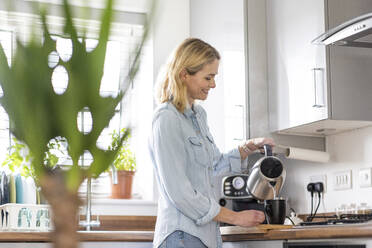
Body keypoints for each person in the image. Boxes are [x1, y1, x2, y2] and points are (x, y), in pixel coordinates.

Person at [148, 38, 275, 248]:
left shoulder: (198, 115)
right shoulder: (166, 119)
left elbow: (213, 166)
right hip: (181, 236)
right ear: (184, 75)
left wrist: (246, 148)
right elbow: (180, 192)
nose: (213, 84)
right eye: (208, 77)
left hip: (204, 237)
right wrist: (234, 217)